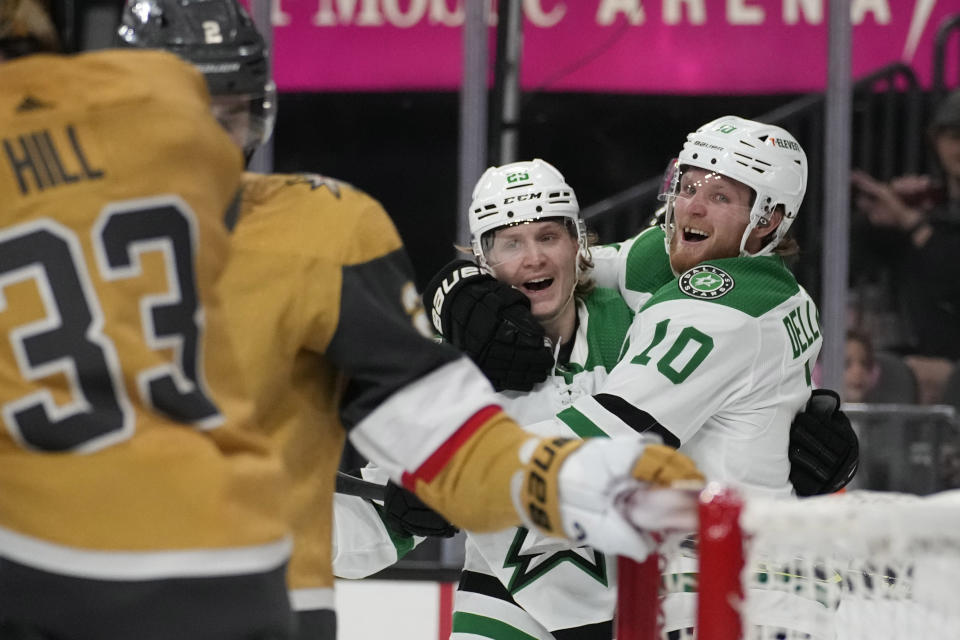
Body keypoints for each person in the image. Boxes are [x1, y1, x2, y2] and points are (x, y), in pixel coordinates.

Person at [105, 2, 706, 640]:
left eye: (549, 236)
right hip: (520, 600)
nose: (533, 256)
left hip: (665, 594)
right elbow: (370, 522)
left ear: (578, 243)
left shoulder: (647, 312)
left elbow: (720, 292)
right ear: (482, 257)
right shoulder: (455, 361)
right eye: (510, 243)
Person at [418, 117, 859, 637]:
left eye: (721, 197)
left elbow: (618, 429)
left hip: (744, 586)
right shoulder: (707, 265)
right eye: (689, 185)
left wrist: (461, 469)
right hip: (725, 569)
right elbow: (585, 265)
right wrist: (461, 285)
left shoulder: (717, 305)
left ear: (768, 220)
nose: (692, 206)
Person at [850, 89, 960, 404]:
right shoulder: (930, 209)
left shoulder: (919, 221)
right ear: (936, 142)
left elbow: (950, 274)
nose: (959, 147)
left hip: (948, 365)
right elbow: (847, 257)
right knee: (873, 370)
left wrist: (911, 221)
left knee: (905, 375)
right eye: (952, 136)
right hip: (923, 353)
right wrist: (872, 216)